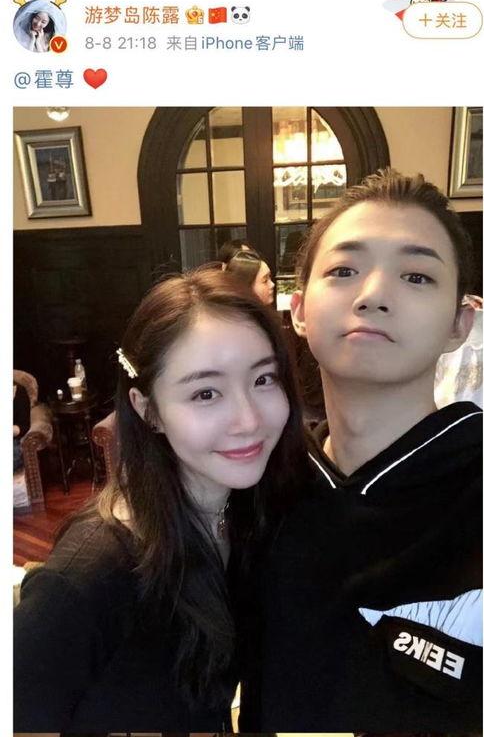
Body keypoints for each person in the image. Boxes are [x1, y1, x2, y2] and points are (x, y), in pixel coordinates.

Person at [14, 268, 310, 733]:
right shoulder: (89, 576)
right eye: (206, 393)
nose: (250, 420)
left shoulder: (246, 513)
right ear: (147, 409)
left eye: (263, 379)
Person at [239, 169, 482, 732]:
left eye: (416, 276)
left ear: (460, 322)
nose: (372, 296)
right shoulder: (261, 483)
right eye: (344, 271)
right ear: (299, 310)